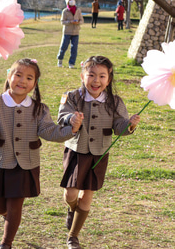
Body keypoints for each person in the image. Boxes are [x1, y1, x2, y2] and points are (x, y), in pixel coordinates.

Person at [0, 58, 83, 249]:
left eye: (29, 77)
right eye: (18, 75)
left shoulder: (39, 109)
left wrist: (72, 130)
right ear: (9, 76)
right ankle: (9, 219)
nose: (22, 81)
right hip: (0, 162)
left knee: (15, 205)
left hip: (26, 164)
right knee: (0, 208)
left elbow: (50, 130)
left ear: (35, 84)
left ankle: (6, 243)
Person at [57, 56, 141, 249]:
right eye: (91, 75)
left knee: (87, 195)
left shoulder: (114, 101)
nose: (96, 81)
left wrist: (129, 125)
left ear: (109, 80)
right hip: (76, 150)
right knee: (71, 194)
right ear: (82, 76)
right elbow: (62, 116)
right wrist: (72, 119)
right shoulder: (72, 96)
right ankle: (71, 209)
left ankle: (73, 237)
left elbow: (119, 126)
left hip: (99, 154)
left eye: (102, 76)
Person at [57, 0, 84, 69]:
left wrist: (78, 22)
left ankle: (71, 63)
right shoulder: (65, 11)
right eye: (70, 0)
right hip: (67, 32)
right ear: (68, 2)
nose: (72, 1)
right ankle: (60, 60)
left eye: (73, 0)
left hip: (76, 32)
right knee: (64, 46)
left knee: (74, 48)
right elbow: (62, 22)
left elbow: (82, 20)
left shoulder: (78, 10)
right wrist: (70, 22)